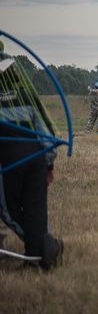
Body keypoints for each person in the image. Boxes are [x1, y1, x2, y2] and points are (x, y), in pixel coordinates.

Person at [0, 44, 64, 270]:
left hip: (10, 162)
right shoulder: (27, 94)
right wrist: (49, 164)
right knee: (36, 208)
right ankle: (38, 255)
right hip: (36, 158)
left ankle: (42, 248)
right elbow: (46, 131)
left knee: (9, 210)